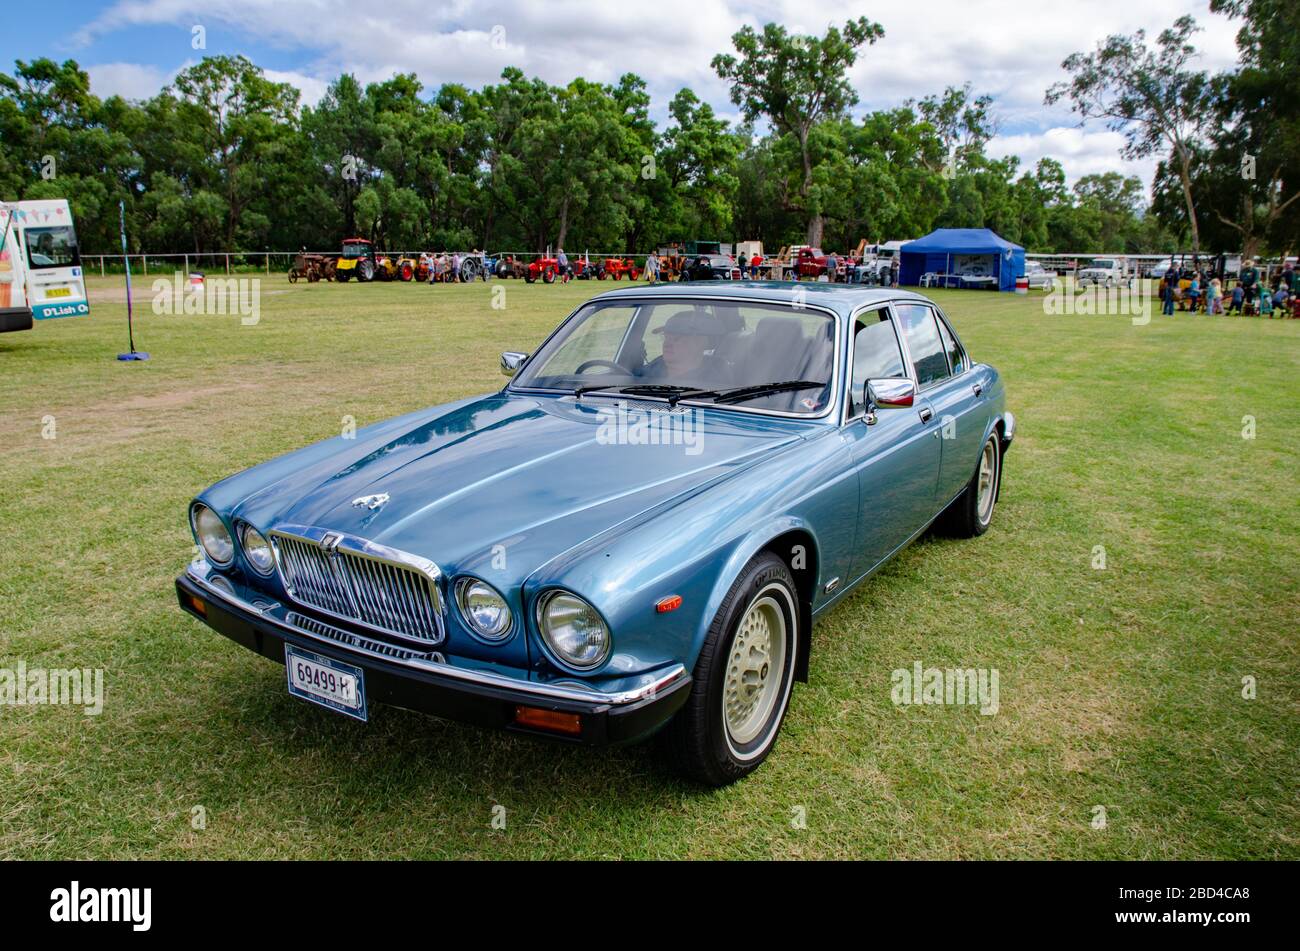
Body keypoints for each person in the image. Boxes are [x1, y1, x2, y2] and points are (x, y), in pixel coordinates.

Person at [637, 311, 730, 385]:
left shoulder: (713, 382)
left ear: (700, 342)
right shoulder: (656, 365)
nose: (667, 344)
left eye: (676, 338)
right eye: (666, 337)